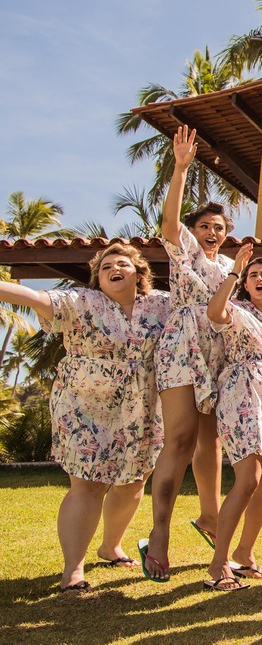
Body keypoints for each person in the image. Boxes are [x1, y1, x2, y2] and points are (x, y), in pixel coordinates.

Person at [143, 125, 262, 580]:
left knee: (210, 443)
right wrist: (181, 169)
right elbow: (169, 223)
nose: (212, 232)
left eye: (220, 228)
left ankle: (209, 517)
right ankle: (159, 536)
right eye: (205, 226)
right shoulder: (185, 253)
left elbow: (260, 273)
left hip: (221, 358)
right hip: (183, 347)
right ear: (194, 232)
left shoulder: (229, 268)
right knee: (180, 440)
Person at [1, 244, 170, 593]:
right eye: (106, 266)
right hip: (83, 405)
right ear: (98, 278)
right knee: (88, 484)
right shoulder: (82, 301)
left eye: (122, 264)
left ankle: (111, 546)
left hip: (141, 406)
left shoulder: (162, 305)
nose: (114, 269)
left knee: (133, 481)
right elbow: (34, 298)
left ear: (139, 273)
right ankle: (73, 571)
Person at [206, 244, 262, 591]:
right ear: (245, 283)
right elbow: (214, 312)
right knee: (248, 479)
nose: (259, 279)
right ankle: (218, 563)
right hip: (243, 392)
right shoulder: (236, 308)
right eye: (252, 275)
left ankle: (244, 553)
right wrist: (234, 272)